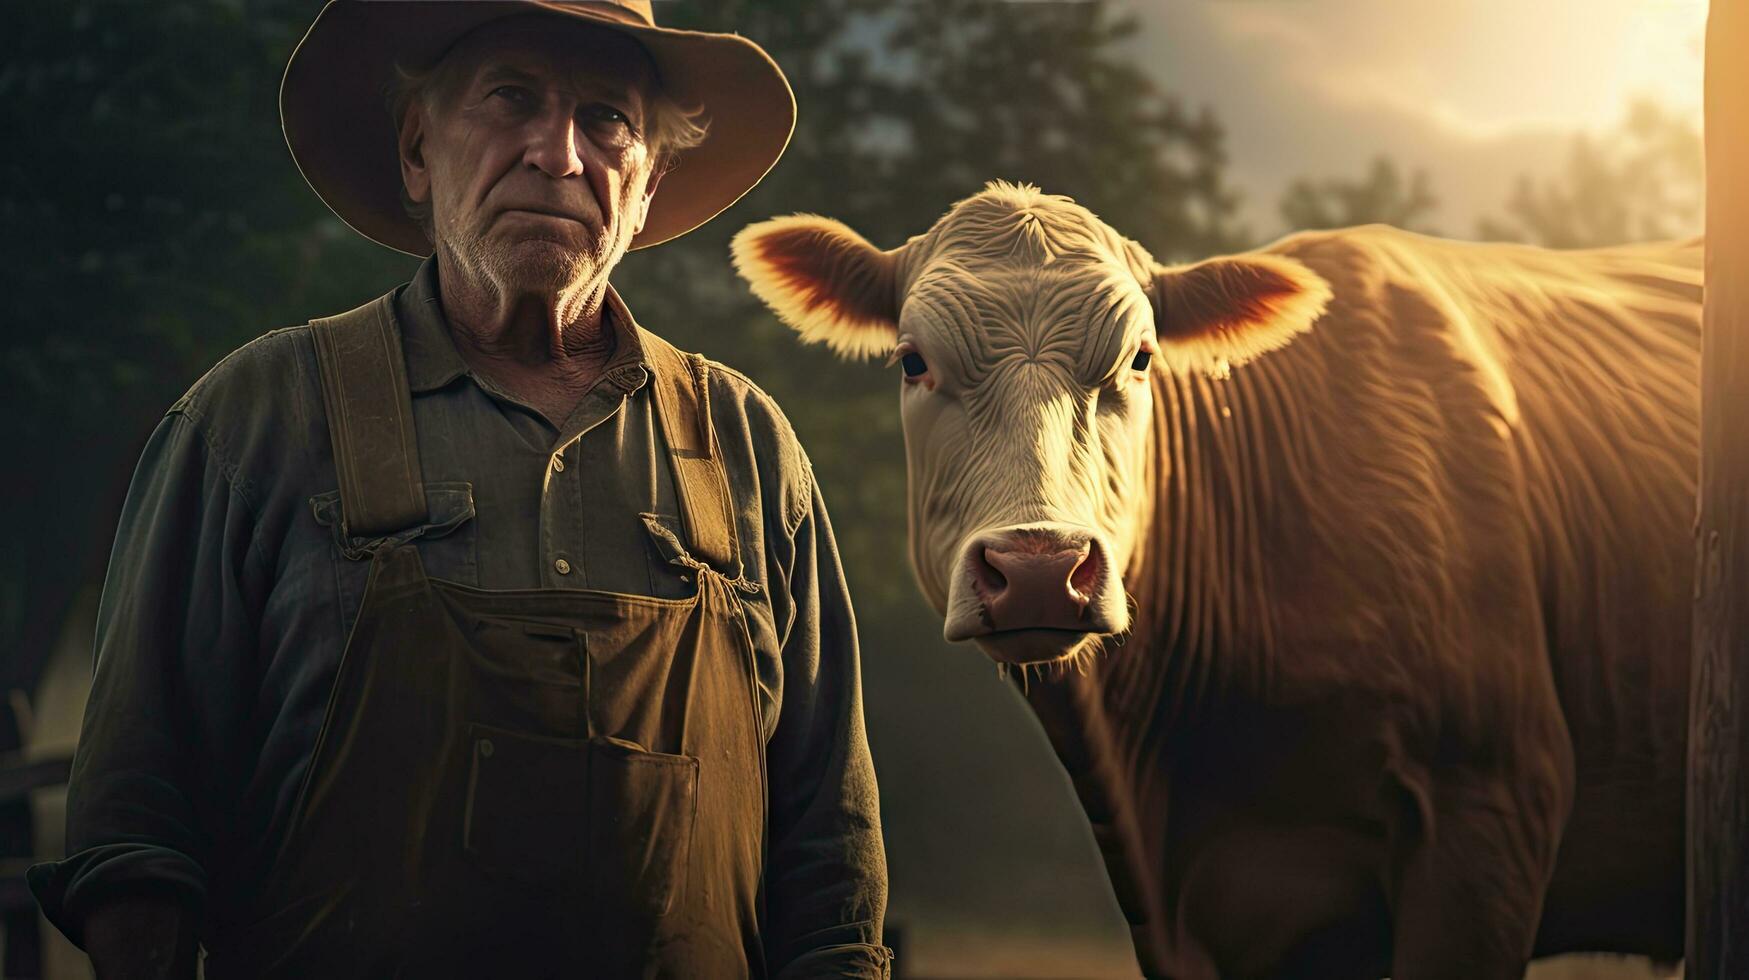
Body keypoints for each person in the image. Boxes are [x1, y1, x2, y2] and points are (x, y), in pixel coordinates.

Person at [28, 2, 890, 977]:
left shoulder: (748, 448)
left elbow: (830, 862)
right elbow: (139, 826)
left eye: (607, 118)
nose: (558, 154)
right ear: (416, 150)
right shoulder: (255, 420)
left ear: (648, 186)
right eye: (511, 96)